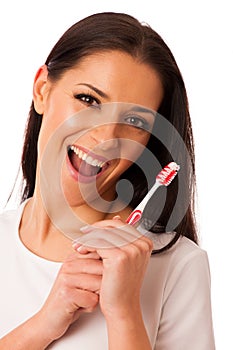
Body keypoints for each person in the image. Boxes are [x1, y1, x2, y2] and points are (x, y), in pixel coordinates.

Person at [0, 12, 215, 349]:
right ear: (42, 89)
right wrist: (43, 325)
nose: (106, 136)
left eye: (134, 120)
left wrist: (125, 314)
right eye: (88, 100)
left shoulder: (177, 267)